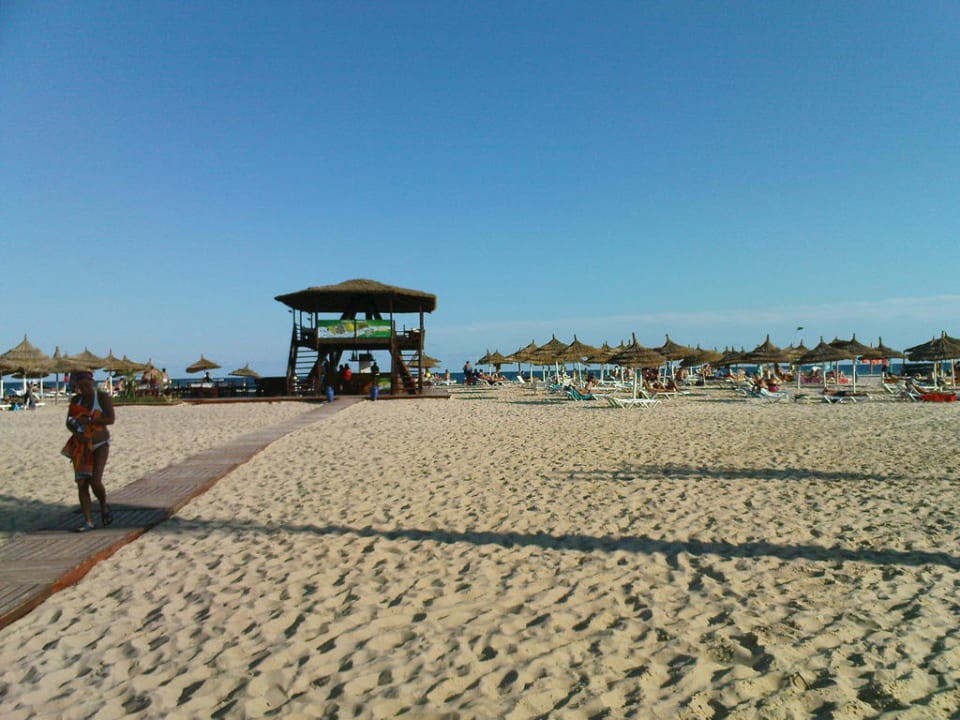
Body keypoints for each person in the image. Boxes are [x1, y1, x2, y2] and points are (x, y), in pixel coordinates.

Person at [61, 371, 115, 532]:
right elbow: (69, 422)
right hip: (81, 445)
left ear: (92, 383)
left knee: (95, 480)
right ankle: (88, 521)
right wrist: (77, 432)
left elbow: (111, 419)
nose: (84, 388)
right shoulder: (77, 400)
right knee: (82, 483)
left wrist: (90, 420)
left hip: (100, 443)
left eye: (86, 385)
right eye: (80, 386)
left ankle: (104, 505)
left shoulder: (102, 397)